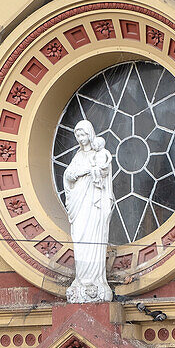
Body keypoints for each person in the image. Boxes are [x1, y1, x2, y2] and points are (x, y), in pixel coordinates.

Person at [63, 118, 115, 303]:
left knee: (94, 238)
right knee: (80, 239)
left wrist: (92, 171)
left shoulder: (99, 154)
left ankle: (94, 280)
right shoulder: (77, 156)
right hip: (79, 204)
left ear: (90, 134)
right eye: (77, 134)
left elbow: (103, 173)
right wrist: (72, 176)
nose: (80, 137)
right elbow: (68, 177)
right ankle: (82, 279)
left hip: (94, 204)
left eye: (83, 134)